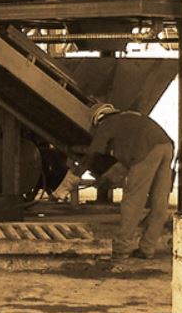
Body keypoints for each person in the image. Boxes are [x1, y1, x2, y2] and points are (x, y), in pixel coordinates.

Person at [53, 104, 175, 260]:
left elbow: (91, 156)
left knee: (133, 201)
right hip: (166, 146)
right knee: (159, 202)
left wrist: (70, 181)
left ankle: (121, 248)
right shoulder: (128, 119)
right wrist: (106, 180)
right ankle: (147, 248)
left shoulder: (107, 124)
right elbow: (126, 161)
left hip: (146, 150)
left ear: (97, 120)